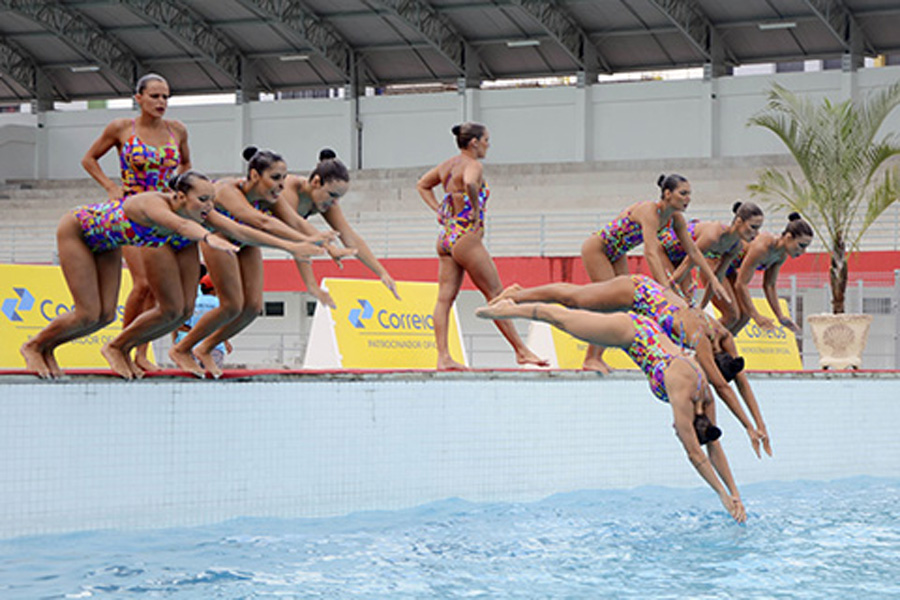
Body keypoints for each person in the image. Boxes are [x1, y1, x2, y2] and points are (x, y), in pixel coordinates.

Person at [19, 171, 323, 380]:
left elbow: (241, 229)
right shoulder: (153, 203)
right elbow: (180, 226)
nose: (209, 207)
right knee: (87, 313)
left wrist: (294, 245)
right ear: (179, 196)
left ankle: (63, 348)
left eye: (211, 200)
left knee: (112, 316)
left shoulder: (200, 212)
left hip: (108, 244)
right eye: (202, 200)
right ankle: (34, 345)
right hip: (78, 232)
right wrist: (208, 237)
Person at [476, 299, 747, 523]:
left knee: (569, 317)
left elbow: (713, 446)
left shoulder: (705, 397)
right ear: (687, 422)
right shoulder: (683, 393)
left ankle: (520, 307)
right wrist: (721, 494)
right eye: (680, 430)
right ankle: (511, 307)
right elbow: (695, 454)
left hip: (649, 332)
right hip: (631, 332)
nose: (675, 430)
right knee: (565, 320)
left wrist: (735, 494)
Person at [492, 276, 772, 458]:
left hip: (644, 312)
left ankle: (522, 298)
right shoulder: (700, 341)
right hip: (638, 293)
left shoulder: (724, 336)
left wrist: (759, 425)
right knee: (575, 299)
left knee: (580, 306)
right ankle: (519, 293)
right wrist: (747, 425)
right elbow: (722, 387)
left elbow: (740, 381)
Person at [167, 147, 333, 379]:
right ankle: (181, 348)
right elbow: (262, 222)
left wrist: (328, 245)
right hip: (219, 237)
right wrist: (297, 244)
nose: (281, 185)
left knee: (253, 308)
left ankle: (205, 348)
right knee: (232, 306)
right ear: (255, 175)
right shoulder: (228, 190)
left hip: (245, 241)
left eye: (284, 178)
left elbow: (295, 221)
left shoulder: (271, 198)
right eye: (276, 178)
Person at [81, 73, 191, 373]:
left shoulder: (177, 130)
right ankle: (121, 348)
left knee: (157, 288)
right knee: (142, 283)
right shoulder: (121, 128)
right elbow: (89, 159)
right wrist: (110, 186)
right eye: (155, 96)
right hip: (131, 211)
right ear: (138, 98)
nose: (161, 102)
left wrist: (180, 189)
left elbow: (186, 164)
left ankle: (141, 352)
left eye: (166, 96)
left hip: (164, 212)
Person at [416, 122, 548, 370]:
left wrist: (439, 209)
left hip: (446, 236)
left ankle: (443, 357)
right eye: (486, 140)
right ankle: (521, 351)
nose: (489, 145)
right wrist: (476, 212)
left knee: (444, 300)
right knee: (496, 294)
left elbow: (422, 184)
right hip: (466, 236)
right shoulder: (473, 165)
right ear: (474, 142)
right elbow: (470, 183)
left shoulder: (447, 165)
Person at [580, 174, 730, 373]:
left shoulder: (675, 218)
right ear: (667, 194)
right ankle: (591, 358)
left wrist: (713, 280)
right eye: (683, 193)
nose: (688, 198)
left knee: (624, 304)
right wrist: (664, 289)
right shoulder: (650, 212)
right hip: (598, 249)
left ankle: (596, 356)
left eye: (689, 194)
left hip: (617, 253)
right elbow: (650, 252)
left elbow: (693, 251)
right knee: (611, 304)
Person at [272, 148, 396, 309]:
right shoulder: (290, 188)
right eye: (332, 195)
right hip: (242, 228)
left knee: (252, 307)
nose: (335, 202)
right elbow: (297, 232)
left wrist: (382, 273)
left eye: (339, 197)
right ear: (316, 182)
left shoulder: (325, 200)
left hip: (254, 238)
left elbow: (349, 236)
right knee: (244, 305)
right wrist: (313, 284)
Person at [721, 212, 813, 335]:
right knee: (732, 316)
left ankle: (721, 345)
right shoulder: (762, 248)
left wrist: (780, 316)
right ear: (788, 238)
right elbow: (741, 284)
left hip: (729, 270)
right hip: (716, 264)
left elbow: (769, 285)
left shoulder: (781, 255)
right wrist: (757, 316)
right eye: (801, 245)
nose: (803, 251)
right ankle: (703, 339)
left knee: (745, 316)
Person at [662, 202, 765, 310]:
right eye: (753, 227)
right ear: (739, 221)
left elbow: (718, 277)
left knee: (688, 302)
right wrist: (668, 288)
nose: (756, 233)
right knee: (672, 297)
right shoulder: (713, 236)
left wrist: (702, 306)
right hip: (664, 249)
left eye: (758, 228)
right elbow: (687, 264)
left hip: (681, 257)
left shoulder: (736, 247)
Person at [173, 273, 232, 370]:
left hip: (193, 346)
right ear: (214, 289)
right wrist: (226, 341)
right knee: (212, 374)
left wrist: (195, 332)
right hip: (214, 347)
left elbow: (181, 326)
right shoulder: (219, 303)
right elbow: (223, 326)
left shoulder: (193, 303)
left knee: (195, 374)